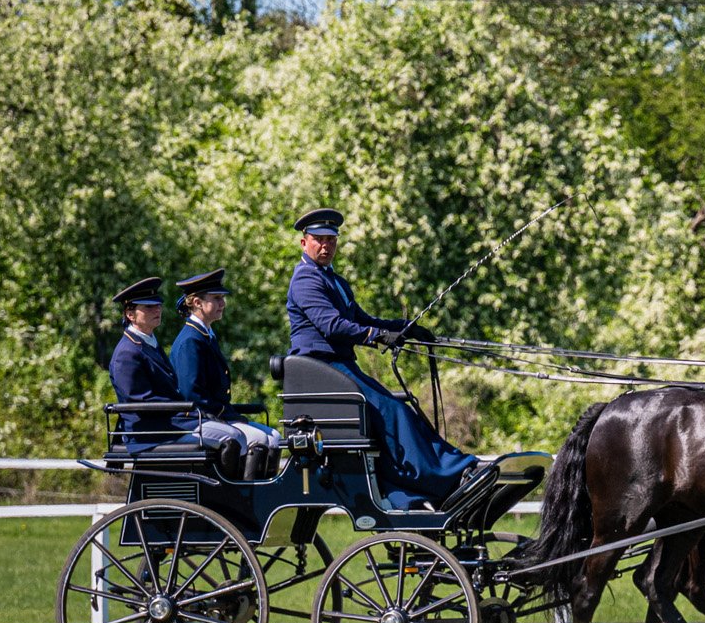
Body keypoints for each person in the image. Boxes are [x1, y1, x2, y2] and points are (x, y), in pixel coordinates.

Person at [284, 207, 488, 508]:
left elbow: (362, 319)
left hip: (339, 367)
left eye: (331, 240)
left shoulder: (335, 281)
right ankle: (444, 475)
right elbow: (332, 325)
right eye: (319, 239)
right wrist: (376, 337)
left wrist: (404, 329)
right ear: (304, 243)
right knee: (392, 410)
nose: (326, 246)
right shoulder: (306, 280)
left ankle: (427, 479)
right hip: (320, 368)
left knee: (403, 407)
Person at [107, 276, 245, 469]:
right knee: (234, 436)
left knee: (235, 434)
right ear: (130, 314)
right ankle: (232, 496)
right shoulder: (127, 353)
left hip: (170, 423)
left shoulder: (148, 343)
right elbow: (140, 402)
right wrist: (187, 411)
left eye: (158, 305)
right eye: (148, 307)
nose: (157, 310)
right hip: (151, 432)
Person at [169, 268, 283, 481]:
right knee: (257, 439)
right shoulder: (190, 341)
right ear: (197, 303)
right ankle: (242, 499)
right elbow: (191, 393)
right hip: (199, 418)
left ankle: (262, 498)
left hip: (217, 414)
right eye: (217, 298)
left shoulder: (205, 335)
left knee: (274, 437)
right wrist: (225, 416)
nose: (223, 304)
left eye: (222, 298)